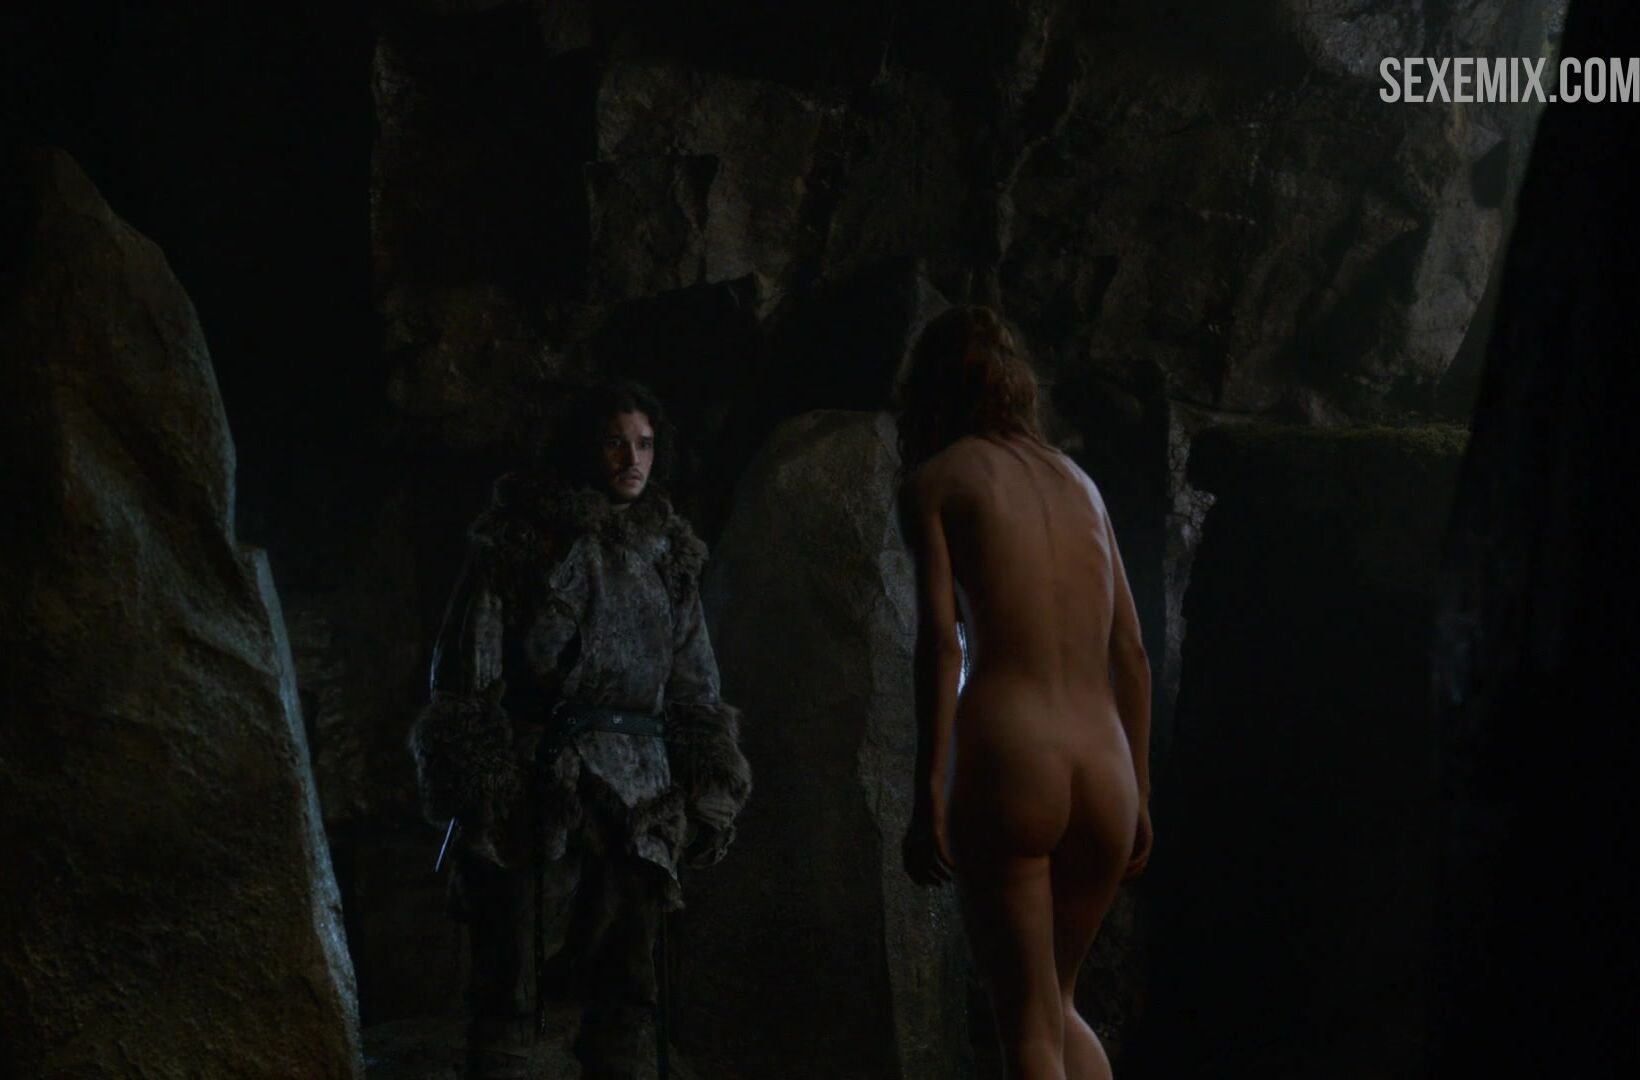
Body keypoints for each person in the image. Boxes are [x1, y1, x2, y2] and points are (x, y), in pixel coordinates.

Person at [409, 381, 752, 1080]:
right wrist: (479, 786)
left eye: (644, 444)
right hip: (538, 786)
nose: (632, 459)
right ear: (586, 449)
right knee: (510, 987)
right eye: (615, 443)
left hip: (642, 797)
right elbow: (468, 669)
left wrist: (707, 788)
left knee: (629, 993)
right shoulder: (522, 540)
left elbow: (694, 685)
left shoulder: (668, 553)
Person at [895, 307, 1152, 1080]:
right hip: (1106, 768)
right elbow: (1132, 655)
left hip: (1013, 756)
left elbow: (943, 645)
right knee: (1059, 1005)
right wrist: (1141, 792)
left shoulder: (938, 482)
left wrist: (927, 790)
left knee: (1027, 1027)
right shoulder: (1084, 487)